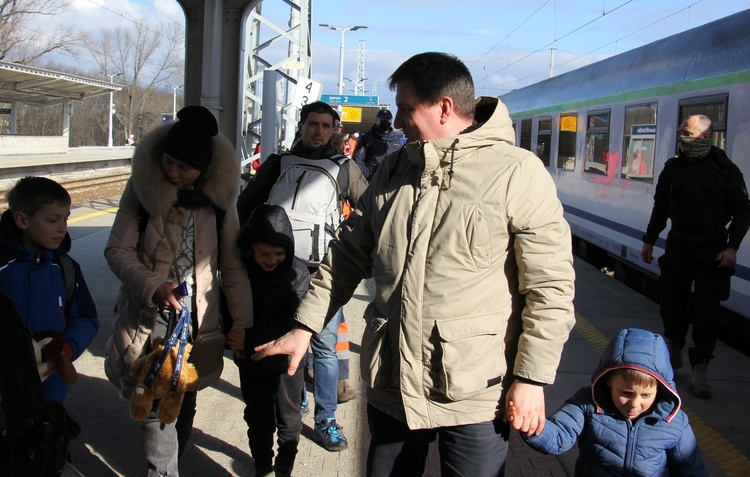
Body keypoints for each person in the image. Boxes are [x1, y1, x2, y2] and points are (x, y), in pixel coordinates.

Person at [252, 52, 576, 476]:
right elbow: (347, 257)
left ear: (444, 107)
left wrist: (531, 379)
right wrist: (303, 328)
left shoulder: (516, 173)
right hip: (392, 384)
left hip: (473, 392)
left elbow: (550, 291)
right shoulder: (393, 169)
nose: (397, 120)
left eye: (406, 109)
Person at [103, 105, 253, 476]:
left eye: (183, 168)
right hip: (150, 317)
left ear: (203, 169)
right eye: (168, 162)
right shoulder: (142, 189)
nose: (172, 173)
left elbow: (232, 266)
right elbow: (116, 250)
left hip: (199, 322)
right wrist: (154, 285)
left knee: (184, 400)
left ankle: (169, 463)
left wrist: (242, 323)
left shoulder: (221, 201)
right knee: (156, 404)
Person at [237, 100, 368, 453]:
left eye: (327, 126)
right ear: (302, 125)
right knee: (286, 338)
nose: (320, 131)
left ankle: (326, 418)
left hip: (322, 272)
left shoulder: (344, 167)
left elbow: (369, 207)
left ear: (334, 130)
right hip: (276, 271)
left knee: (324, 347)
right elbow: (245, 203)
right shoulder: (279, 162)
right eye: (314, 124)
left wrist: (345, 239)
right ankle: (298, 402)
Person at [641, 114, 750, 398]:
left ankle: (700, 365)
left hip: (712, 250)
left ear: (705, 137)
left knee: (707, 312)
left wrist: (732, 247)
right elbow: (660, 207)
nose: (681, 137)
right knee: (671, 302)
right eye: (681, 132)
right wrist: (649, 240)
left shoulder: (726, 170)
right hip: (679, 244)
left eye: (687, 133)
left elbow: (743, 211)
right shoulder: (674, 168)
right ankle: (673, 345)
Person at [514, 328, 707, 476]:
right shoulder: (587, 404)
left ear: (661, 389)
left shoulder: (674, 421)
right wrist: (533, 427)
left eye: (646, 396)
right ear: (608, 380)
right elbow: (559, 437)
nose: (634, 403)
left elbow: (691, 468)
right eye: (626, 393)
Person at [0, 176, 100, 403]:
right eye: (53, 220)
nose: (62, 229)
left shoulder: (66, 268)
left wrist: (65, 350)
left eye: (66, 219)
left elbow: (86, 319)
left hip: (50, 392)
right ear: (22, 221)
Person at [235, 204, 309, 477]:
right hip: (252, 360)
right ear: (250, 248)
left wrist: (246, 338)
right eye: (264, 253)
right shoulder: (239, 270)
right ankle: (263, 466)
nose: (271, 260)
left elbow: (292, 321)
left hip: (287, 360)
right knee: (258, 417)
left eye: (279, 254)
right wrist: (232, 340)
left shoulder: (297, 273)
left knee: (289, 418)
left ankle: (285, 467)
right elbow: (227, 308)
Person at [353, 109, 403, 181]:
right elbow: (358, 160)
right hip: (371, 181)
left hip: (391, 183)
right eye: (383, 119)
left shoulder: (396, 139)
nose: (385, 121)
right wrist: (365, 177)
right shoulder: (367, 138)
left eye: (388, 119)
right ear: (376, 121)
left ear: (391, 120)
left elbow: (401, 160)